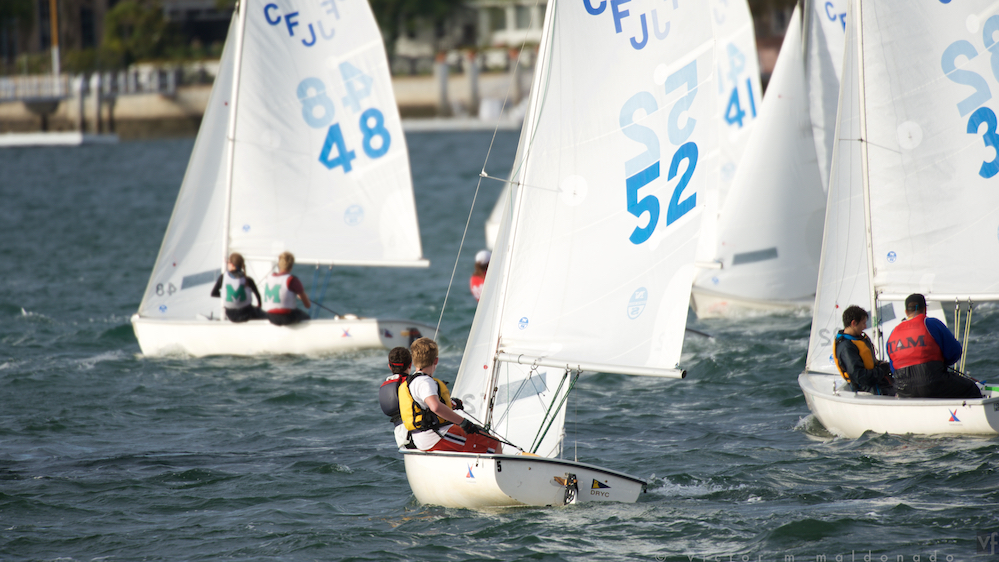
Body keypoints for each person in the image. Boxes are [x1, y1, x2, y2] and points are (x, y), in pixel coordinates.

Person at [397, 337, 502, 453]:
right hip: (436, 436)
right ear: (436, 360)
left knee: (478, 435)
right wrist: (463, 422)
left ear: (414, 360)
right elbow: (435, 407)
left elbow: (426, 407)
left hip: (421, 437)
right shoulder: (425, 382)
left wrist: (451, 404)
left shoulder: (412, 382)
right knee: (493, 443)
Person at [886, 293, 982, 399]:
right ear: (925, 309)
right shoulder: (930, 323)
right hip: (934, 383)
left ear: (906, 312)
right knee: (971, 388)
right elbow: (954, 352)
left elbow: (893, 369)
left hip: (904, 390)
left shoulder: (893, 333)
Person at [833, 305, 894, 395]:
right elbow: (859, 376)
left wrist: (884, 365)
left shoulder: (858, 339)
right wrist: (882, 370)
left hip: (879, 385)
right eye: (863, 323)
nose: (865, 327)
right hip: (868, 392)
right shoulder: (846, 347)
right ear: (854, 323)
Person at [210, 252, 267, 322]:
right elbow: (258, 297)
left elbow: (213, 293)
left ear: (232, 265)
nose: (227, 264)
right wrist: (259, 307)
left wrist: (227, 295)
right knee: (267, 315)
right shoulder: (248, 279)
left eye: (228, 262)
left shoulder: (223, 277)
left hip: (231, 315)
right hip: (246, 313)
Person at [262, 251, 312, 325]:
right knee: (307, 318)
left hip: (270, 316)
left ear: (279, 264)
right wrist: (303, 297)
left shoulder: (268, 278)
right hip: (286, 317)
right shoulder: (292, 280)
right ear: (291, 266)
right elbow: (307, 305)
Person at [380, 347, 413, 448]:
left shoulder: (385, 386)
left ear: (389, 366)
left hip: (400, 438)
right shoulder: (413, 383)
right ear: (410, 364)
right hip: (417, 434)